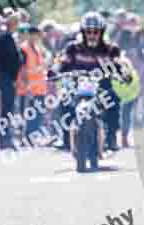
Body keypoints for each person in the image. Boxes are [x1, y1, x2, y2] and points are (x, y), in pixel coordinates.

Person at [52, 12, 126, 152]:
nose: (92, 34)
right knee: (63, 102)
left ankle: (111, 138)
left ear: (102, 31)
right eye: (88, 31)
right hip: (77, 87)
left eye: (95, 31)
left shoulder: (111, 49)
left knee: (114, 100)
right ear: (83, 32)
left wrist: (123, 73)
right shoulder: (72, 48)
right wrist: (54, 71)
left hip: (102, 88)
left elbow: (119, 63)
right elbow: (62, 62)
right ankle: (65, 137)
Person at [0, 11, 24, 149]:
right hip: (6, 77)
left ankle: (6, 138)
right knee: (6, 110)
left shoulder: (9, 37)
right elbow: (8, 59)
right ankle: (4, 139)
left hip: (9, 77)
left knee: (8, 109)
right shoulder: (4, 38)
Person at [16, 24, 49, 140]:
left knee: (37, 115)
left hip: (39, 88)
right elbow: (23, 69)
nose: (35, 38)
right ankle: (26, 138)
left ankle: (33, 137)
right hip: (29, 89)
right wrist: (26, 86)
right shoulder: (23, 49)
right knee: (28, 115)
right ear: (28, 35)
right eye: (32, 35)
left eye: (36, 36)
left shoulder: (37, 48)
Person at [113, 55, 140, 148]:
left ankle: (123, 139)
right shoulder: (116, 75)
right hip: (124, 100)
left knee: (125, 120)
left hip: (126, 100)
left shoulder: (132, 74)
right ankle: (121, 140)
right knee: (123, 120)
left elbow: (136, 87)